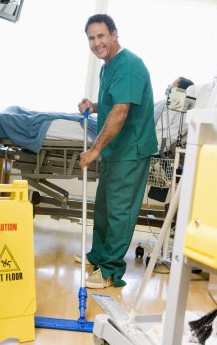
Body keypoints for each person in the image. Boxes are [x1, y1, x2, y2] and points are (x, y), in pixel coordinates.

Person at [77, 14, 158, 288]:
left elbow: (122, 112)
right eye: (91, 38)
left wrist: (94, 149)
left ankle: (110, 271)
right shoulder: (107, 66)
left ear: (114, 34)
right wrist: (95, 105)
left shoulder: (129, 65)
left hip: (130, 150)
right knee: (103, 208)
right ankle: (99, 255)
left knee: (119, 212)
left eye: (101, 36)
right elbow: (115, 102)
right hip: (115, 149)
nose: (97, 43)